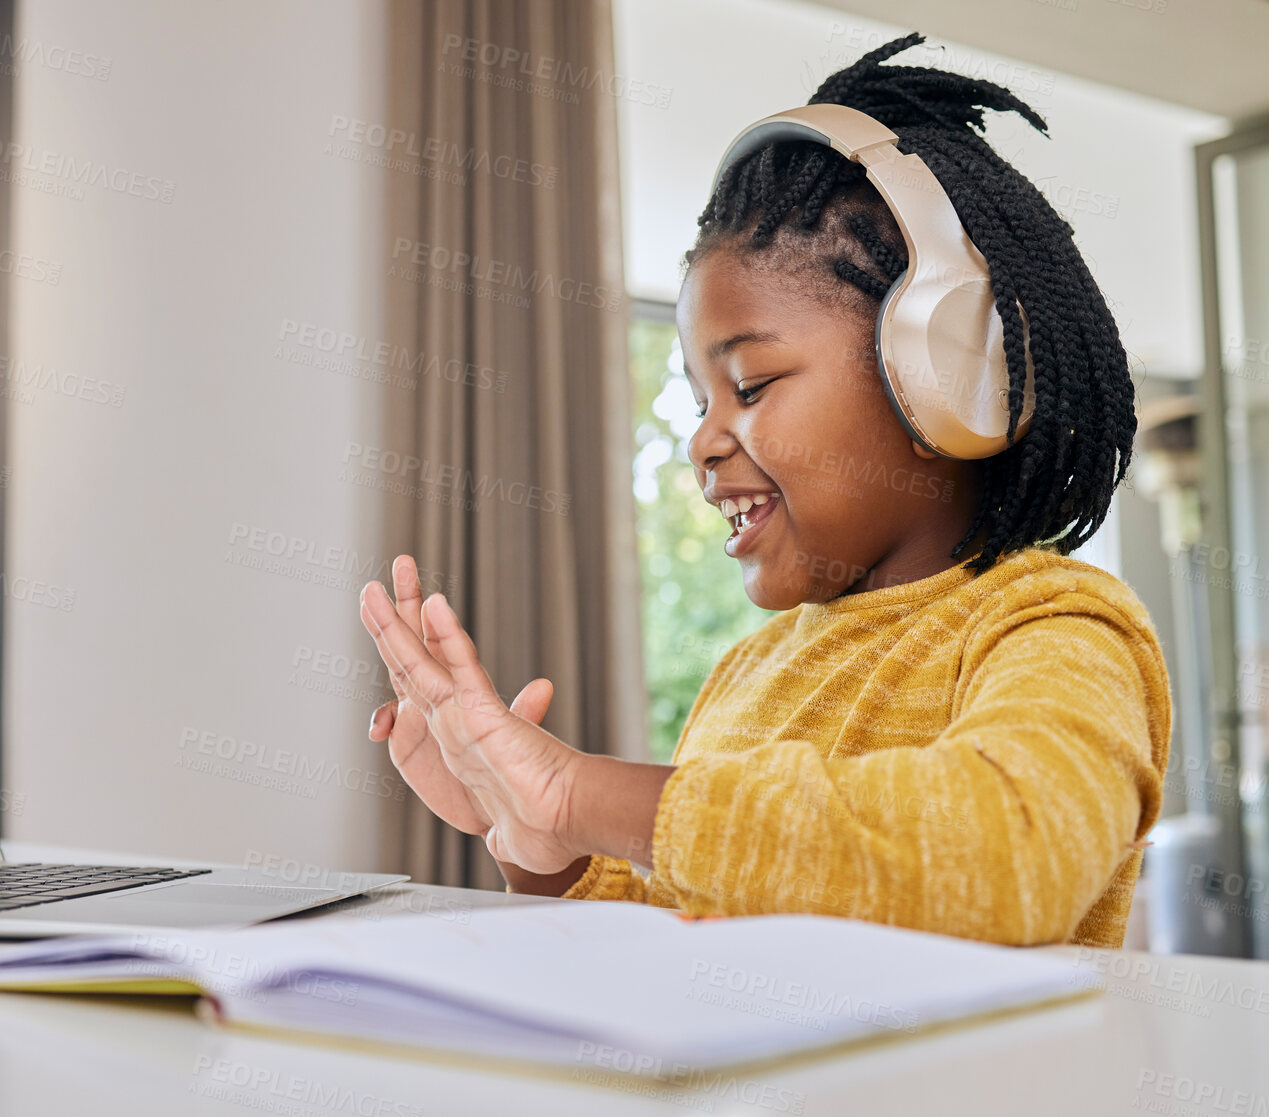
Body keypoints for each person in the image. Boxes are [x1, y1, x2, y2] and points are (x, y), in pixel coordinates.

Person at [357, 32, 1170, 949]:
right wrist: (543, 843)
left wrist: (577, 789)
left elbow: (1006, 857)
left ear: (942, 374)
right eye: (701, 401)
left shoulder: (1055, 629)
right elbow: (674, 931)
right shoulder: (747, 674)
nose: (703, 441)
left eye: (748, 388)